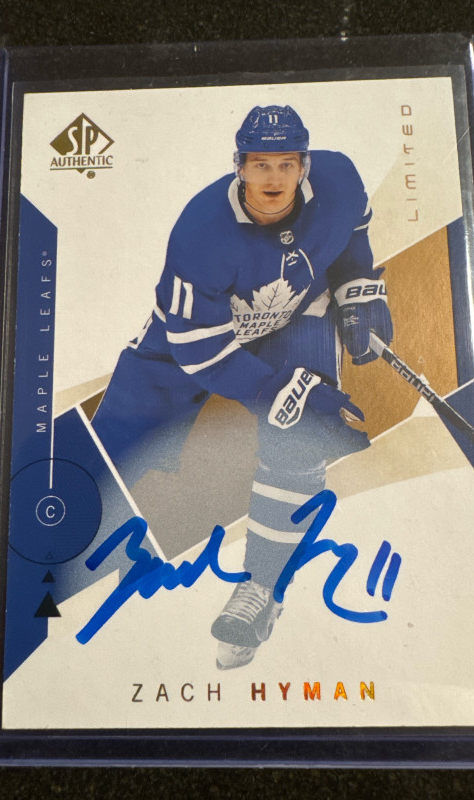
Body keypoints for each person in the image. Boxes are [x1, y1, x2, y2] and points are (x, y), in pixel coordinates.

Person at [92, 105, 393, 669]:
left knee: (299, 436)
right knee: (109, 453)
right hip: (199, 336)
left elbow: (354, 228)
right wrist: (277, 390)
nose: (273, 178)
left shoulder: (340, 179)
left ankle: (262, 589)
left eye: (286, 164)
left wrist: (357, 286)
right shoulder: (200, 232)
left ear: (304, 166)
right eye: (260, 165)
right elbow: (201, 353)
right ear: (239, 167)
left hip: (297, 312)